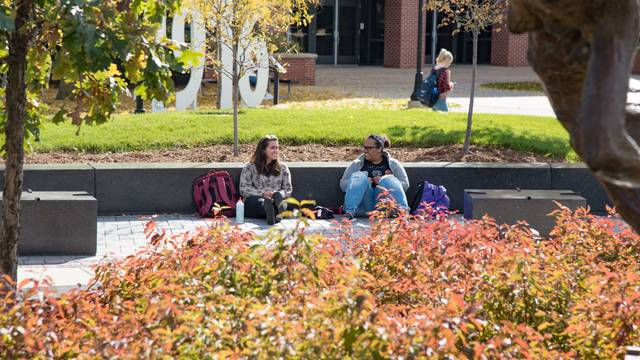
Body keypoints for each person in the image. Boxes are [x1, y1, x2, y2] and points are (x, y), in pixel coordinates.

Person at [339, 134, 410, 219]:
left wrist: (385, 181)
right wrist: (363, 181)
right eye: (365, 147)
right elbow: (343, 185)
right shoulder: (357, 164)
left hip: (384, 207)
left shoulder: (393, 164)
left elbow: (405, 185)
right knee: (359, 176)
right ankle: (349, 213)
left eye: (369, 148)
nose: (366, 151)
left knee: (388, 179)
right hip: (364, 206)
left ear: (379, 149)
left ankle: (403, 212)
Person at [239, 135, 292, 225]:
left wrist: (278, 194)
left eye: (277, 147)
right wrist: (262, 194)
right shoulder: (249, 167)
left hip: (277, 200)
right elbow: (243, 189)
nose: (276, 150)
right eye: (272, 148)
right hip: (256, 201)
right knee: (260, 202)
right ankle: (274, 212)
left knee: (281, 201)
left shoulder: (283, 167)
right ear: (263, 150)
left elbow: (288, 189)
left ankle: (275, 211)